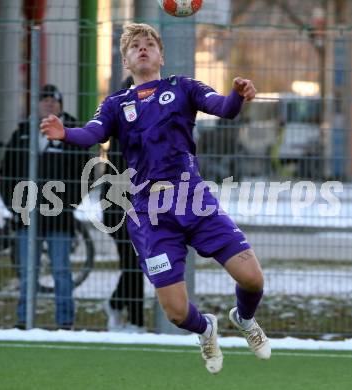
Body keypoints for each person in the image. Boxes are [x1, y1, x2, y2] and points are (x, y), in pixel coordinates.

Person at [41, 24, 271, 373]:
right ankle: (206, 328)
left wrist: (238, 94)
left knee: (253, 278)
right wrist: (65, 133)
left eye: (150, 44)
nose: (143, 48)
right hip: (150, 213)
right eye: (135, 46)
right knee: (177, 313)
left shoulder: (183, 87)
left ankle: (243, 317)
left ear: (161, 55)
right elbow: (94, 132)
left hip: (194, 200)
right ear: (126, 61)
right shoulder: (117, 104)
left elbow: (223, 107)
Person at [0, 84, 88, 329]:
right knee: (28, 271)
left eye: (54, 100)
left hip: (59, 218)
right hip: (27, 216)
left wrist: (68, 204)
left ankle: (65, 321)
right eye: (45, 99)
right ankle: (24, 319)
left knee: (61, 269)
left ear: (60, 105)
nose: (49, 103)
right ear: (37, 104)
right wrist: (16, 207)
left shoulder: (72, 134)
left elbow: (85, 175)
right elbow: (6, 174)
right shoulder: (23, 133)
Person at [102, 75, 144, 331]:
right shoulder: (122, 125)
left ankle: (116, 303)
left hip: (146, 206)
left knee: (139, 262)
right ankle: (136, 321)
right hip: (119, 206)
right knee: (135, 262)